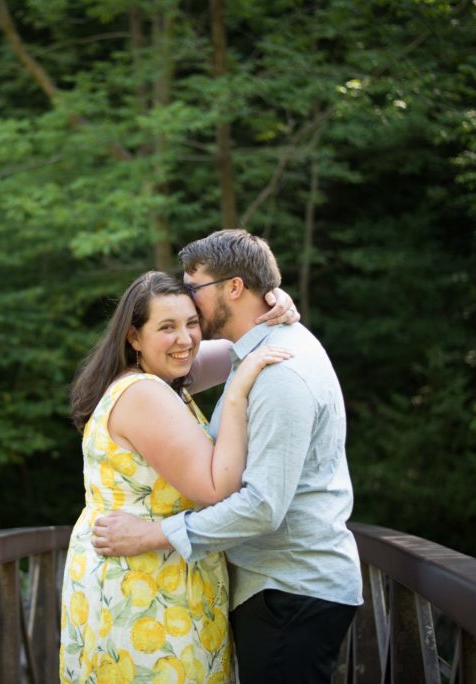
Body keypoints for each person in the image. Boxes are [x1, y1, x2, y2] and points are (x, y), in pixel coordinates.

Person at [92, 230, 363, 684]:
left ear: (234, 287)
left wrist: (153, 535)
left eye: (193, 289)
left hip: (290, 591)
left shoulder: (279, 372)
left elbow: (261, 506)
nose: (188, 302)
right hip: (278, 588)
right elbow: (175, 366)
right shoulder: (254, 351)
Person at [59, 270, 298, 684]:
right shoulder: (145, 394)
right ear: (134, 336)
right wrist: (238, 394)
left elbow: (243, 343)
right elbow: (214, 487)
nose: (185, 339)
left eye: (191, 323)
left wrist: (278, 304)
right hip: (146, 586)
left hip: (146, 572)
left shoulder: (159, 377)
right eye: (166, 327)